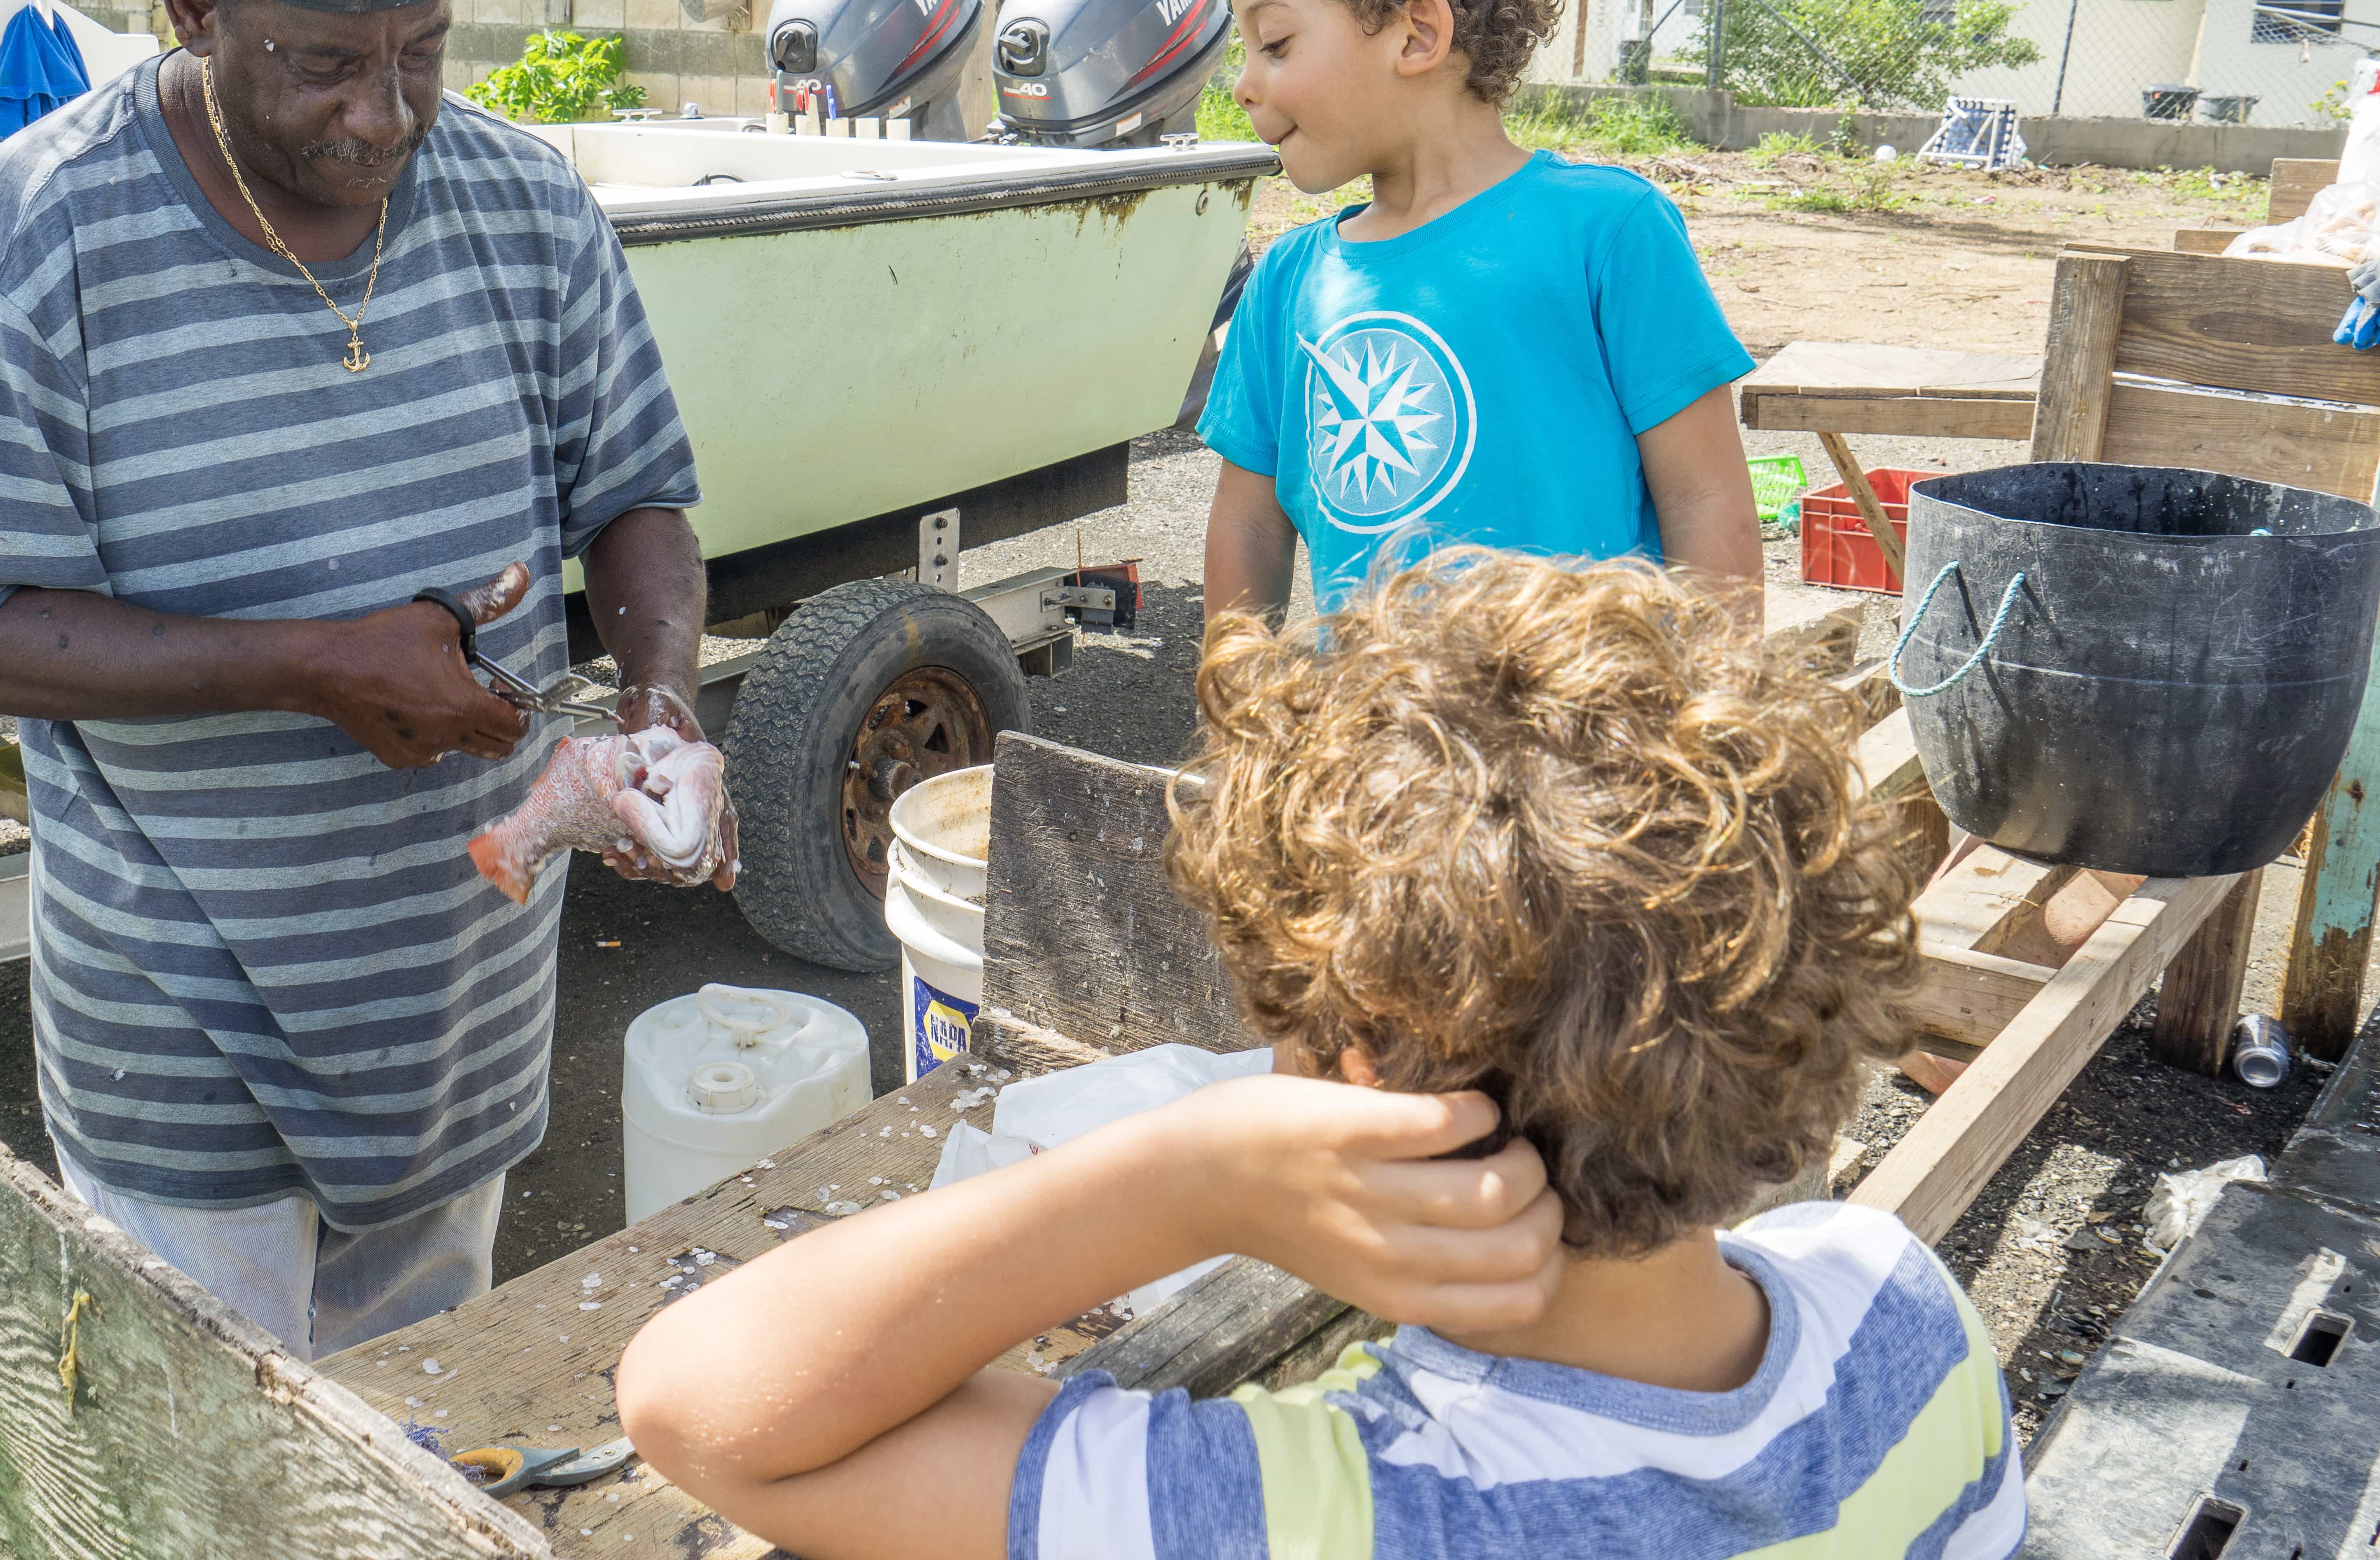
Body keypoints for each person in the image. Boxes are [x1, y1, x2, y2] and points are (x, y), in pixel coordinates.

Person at [617, 551, 2016, 1560]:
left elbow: (701, 1402)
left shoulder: (1343, 1513)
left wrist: (1196, 1175)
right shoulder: (1901, 1305)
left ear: (1359, 1097)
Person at [0, 0, 717, 1360]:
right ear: (195, 8)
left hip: (457, 999)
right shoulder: (46, 223)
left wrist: (662, 697)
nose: (386, 114)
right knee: (222, 1463)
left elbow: (637, 497)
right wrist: (316, 664)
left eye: (422, 54)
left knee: (414, 1412)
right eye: (326, 65)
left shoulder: (526, 200)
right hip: (181, 1009)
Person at [1196, 0, 1762, 621]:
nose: (1244, 84)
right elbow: (1248, 526)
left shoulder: (1608, 235)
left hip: (1589, 738)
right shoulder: (1286, 282)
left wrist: (1726, 724)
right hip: (1376, 747)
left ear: (1418, 33)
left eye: (1276, 43)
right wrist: (1237, 723)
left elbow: (1708, 505)